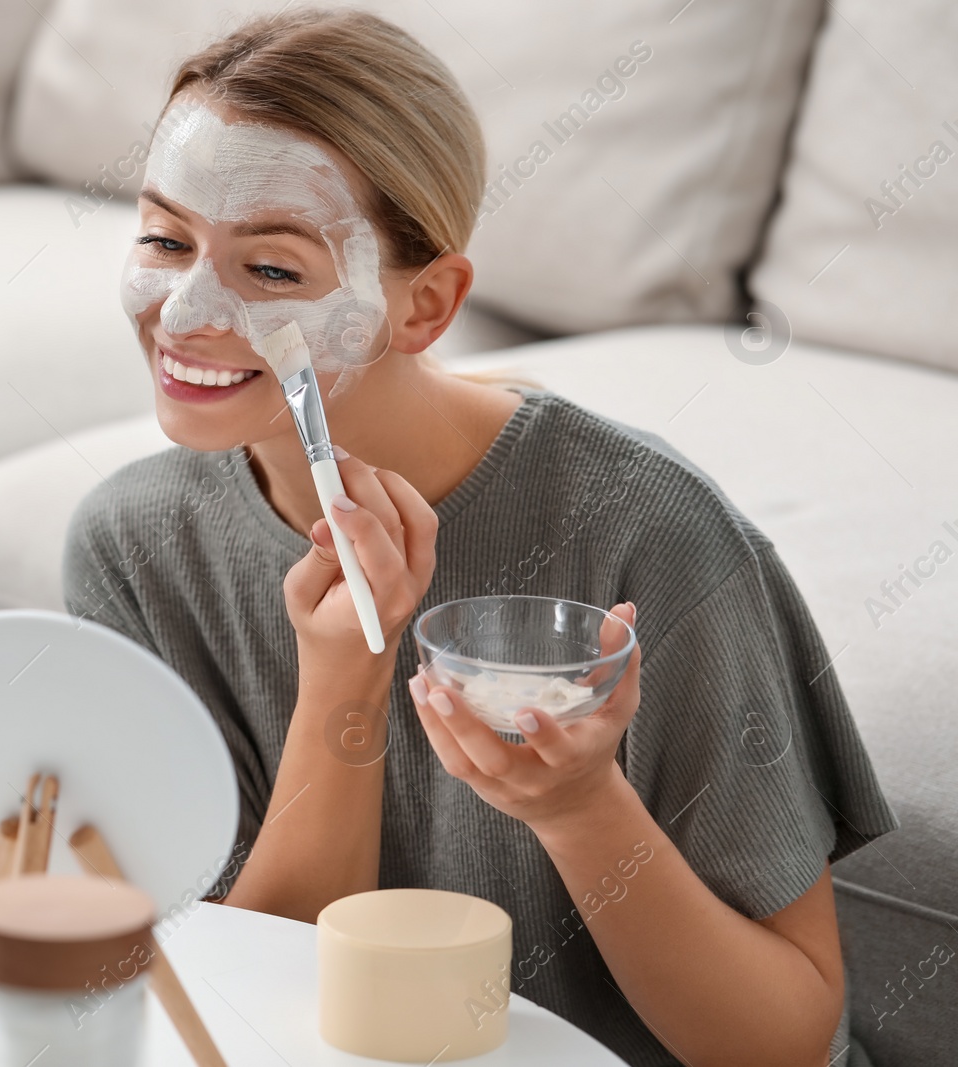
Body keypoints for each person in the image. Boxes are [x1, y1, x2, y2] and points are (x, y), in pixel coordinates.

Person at [61, 9, 898, 1065]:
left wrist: (580, 805)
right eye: (164, 239)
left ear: (426, 306)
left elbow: (785, 1041)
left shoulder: (652, 534)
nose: (184, 311)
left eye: (272, 270)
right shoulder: (131, 545)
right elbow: (234, 1001)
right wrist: (344, 691)